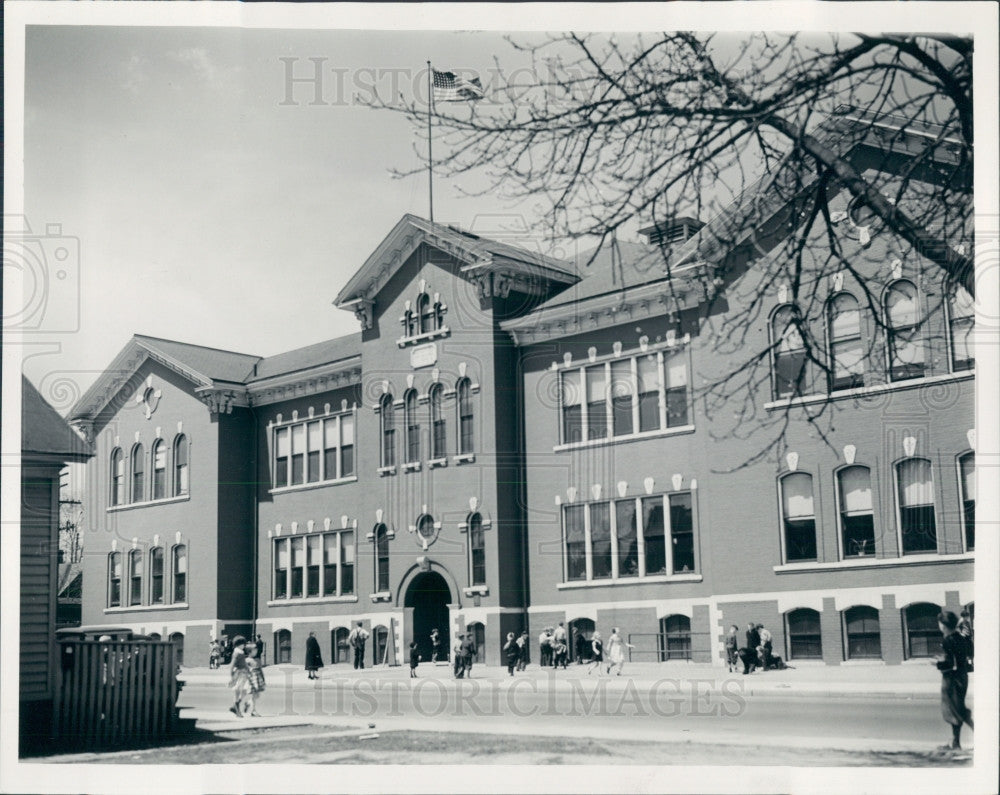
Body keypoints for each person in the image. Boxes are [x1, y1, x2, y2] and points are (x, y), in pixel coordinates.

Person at [936, 610, 974, 750]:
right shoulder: (960, 637)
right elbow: (970, 652)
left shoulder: (948, 640)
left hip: (952, 679)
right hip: (962, 676)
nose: (939, 626)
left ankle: (981, 736)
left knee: (956, 711)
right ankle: (956, 743)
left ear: (944, 625)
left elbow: (950, 663)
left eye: (940, 623)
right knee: (958, 710)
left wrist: (937, 663)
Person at [228, 636, 250, 717]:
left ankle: (235, 707)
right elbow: (232, 664)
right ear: (239, 644)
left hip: (243, 673)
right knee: (239, 690)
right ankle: (237, 710)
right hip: (240, 673)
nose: (244, 645)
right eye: (243, 644)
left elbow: (244, 663)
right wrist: (231, 674)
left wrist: (248, 669)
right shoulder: (237, 652)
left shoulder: (240, 652)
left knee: (244, 690)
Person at [242, 642, 265, 716]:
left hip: (258, 679)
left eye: (256, 650)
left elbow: (261, 670)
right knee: (255, 695)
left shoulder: (258, 660)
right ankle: (253, 711)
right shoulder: (247, 660)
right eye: (254, 650)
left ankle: (248, 703)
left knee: (257, 695)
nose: (256, 651)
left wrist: (263, 679)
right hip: (251, 679)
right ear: (249, 651)